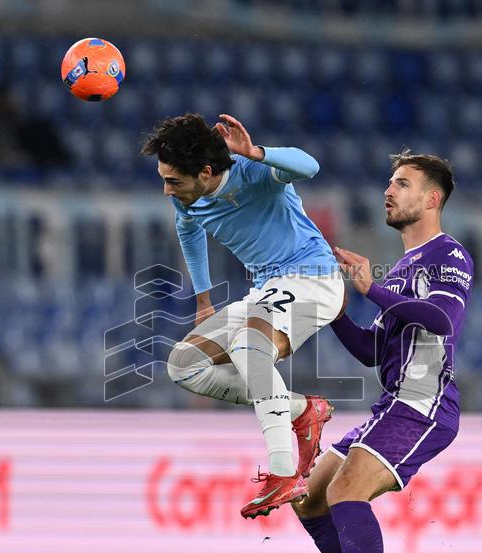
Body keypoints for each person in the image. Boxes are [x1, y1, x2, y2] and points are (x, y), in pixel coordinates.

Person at [291, 150, 473, 553]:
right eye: (389, 183)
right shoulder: (400, 270)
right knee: (309, 499)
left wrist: (371, 288)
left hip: (423, 405)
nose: (388, 191)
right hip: (394, 403)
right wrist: (334, 310)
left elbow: (441, 322)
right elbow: (371, 351)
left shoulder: (448, 256)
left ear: (432, 198)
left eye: (402, 183)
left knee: (345, 491)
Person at [142, 113, 345, 519]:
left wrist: (257, 152)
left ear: (204, 171)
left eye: (173, 181)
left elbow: (310, 166)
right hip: (267, 291)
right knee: (184, 366)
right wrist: (203, 299)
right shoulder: (189, 200)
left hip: (313, 280)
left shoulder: (254, 172)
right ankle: (301, 410)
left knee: (248, 347)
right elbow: (188, 231)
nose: (166, 190)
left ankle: (285, 472)